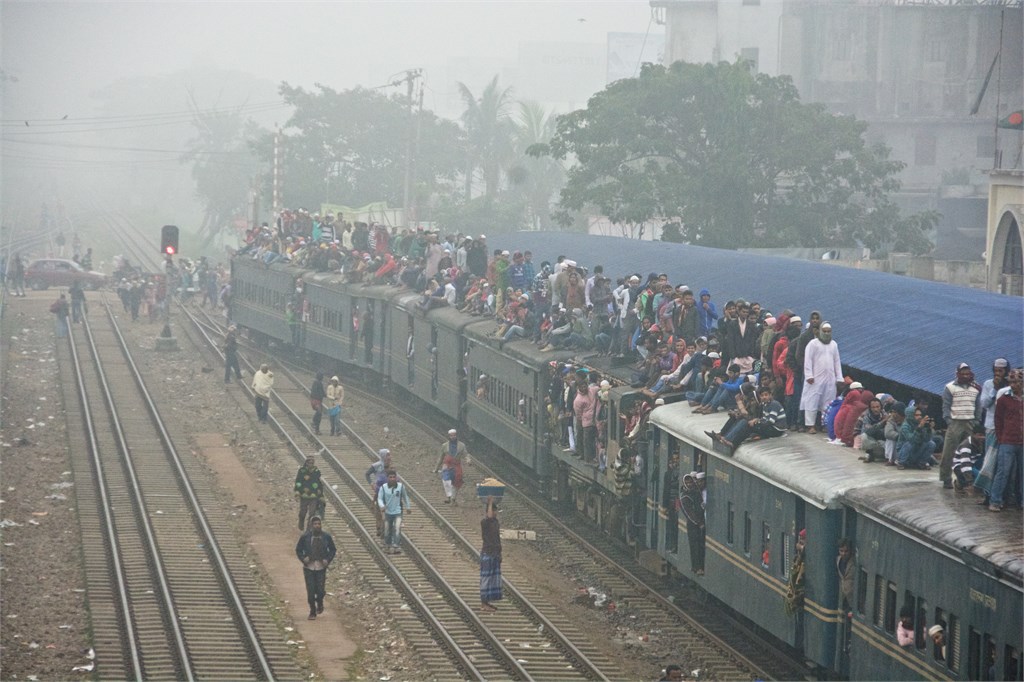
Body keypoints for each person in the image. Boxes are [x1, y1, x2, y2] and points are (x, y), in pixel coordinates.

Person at [939, 363, 981, 490]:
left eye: (967, 373)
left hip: (970, 423)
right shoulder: (950, 387)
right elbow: (946, 406)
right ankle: (946, 479)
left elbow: (978, 406)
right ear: (958, 374)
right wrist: (949, 421)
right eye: (963, 373)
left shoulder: (976, 388)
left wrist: (976, 421)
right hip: (955, 422)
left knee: (968, 453)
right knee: (949, 452)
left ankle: (964, 480)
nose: (965, 376)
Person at [989, 369, 1023, 512]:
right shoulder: (1004, 399)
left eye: (1017, 382)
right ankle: (995, 500)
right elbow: (998, 420)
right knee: (1003, 471)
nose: (1013, 385)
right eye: (1011, 382)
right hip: (1008, 440)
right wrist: (1001, 437)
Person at [800, 322, 842, 434]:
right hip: (815, 379)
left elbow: (837, 361)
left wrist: (839, 378)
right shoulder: (813, 344)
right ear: (820, 331)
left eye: (829, 331)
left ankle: (825, 424)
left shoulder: (833, 344)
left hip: (830, 379)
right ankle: (810, 425)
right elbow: (808, 360)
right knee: (812, 401)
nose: (827, 333)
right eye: (824, 331)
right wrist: (809, 375)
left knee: (828, 402)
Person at [295, 516, 336, 620]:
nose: (317, 526)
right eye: (315, 524)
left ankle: (320, 602)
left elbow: (332, 549)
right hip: (309, 567)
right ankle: (312, 611)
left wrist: (327, 560)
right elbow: (298, 550)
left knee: (320, 590)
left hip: (321, 567)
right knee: (311, 591)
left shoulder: (326, 537)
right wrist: (303, 559)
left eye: (319, 524)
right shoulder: (305, 537)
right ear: (311, 526)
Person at [377, 470, 411, 554]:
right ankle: (388, 545)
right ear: (387, 478)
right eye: (390, 477)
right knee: (387, 529)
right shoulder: (383, 488)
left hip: (397, 512)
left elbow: (405, 497)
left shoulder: (400, 487)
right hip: (388, 512)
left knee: (397, 528)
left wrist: (408, 507)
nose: (392, 479)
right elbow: (379, 498)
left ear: (396, 478)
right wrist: (382, 506)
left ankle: (396, 546)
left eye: (394, 477)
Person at [480, 496, 502, 612]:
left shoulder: (496, 523)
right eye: (493, 511)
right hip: (488, 553)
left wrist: (499, 554)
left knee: (493, 578)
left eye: (495, 511)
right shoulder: (485, 522)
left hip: (495, 554)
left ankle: (487, 601)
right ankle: (484, 603)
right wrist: (490, 502)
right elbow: (489, 517)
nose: (495, 513)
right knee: (486, 579)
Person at [436, 428, 468, 505]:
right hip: (447, 465)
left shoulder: (461, 445)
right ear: (449, 436)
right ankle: (449, 496)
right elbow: (441, 457)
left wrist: (468, 460)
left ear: (456, 435)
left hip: (457, 465)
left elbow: (466, 454)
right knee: (446, 481)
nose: (453, 437)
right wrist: (436, 468)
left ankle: (453, 499)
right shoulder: (444, 446)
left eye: (454, 435)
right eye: (451, 435)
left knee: (457, 482)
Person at [294, 454, 325, 531]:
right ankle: (301, 521)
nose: (311, 464)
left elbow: (319, 483)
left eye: (312, 463)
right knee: (303, 512)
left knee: (312, 513)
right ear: (306, 463)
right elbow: (298, 481)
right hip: (304, 495)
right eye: (309, 463)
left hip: (314, 496)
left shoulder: (316, 471)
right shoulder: (302, 471)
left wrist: (321, 495)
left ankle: (308, 529)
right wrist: (297, 491)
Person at [836, 538, 855, 612]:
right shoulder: (838, 560)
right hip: (843, 599)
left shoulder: (854, 563)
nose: (843, 554)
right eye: (841, 551)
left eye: (846, 551)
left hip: (853, 599)